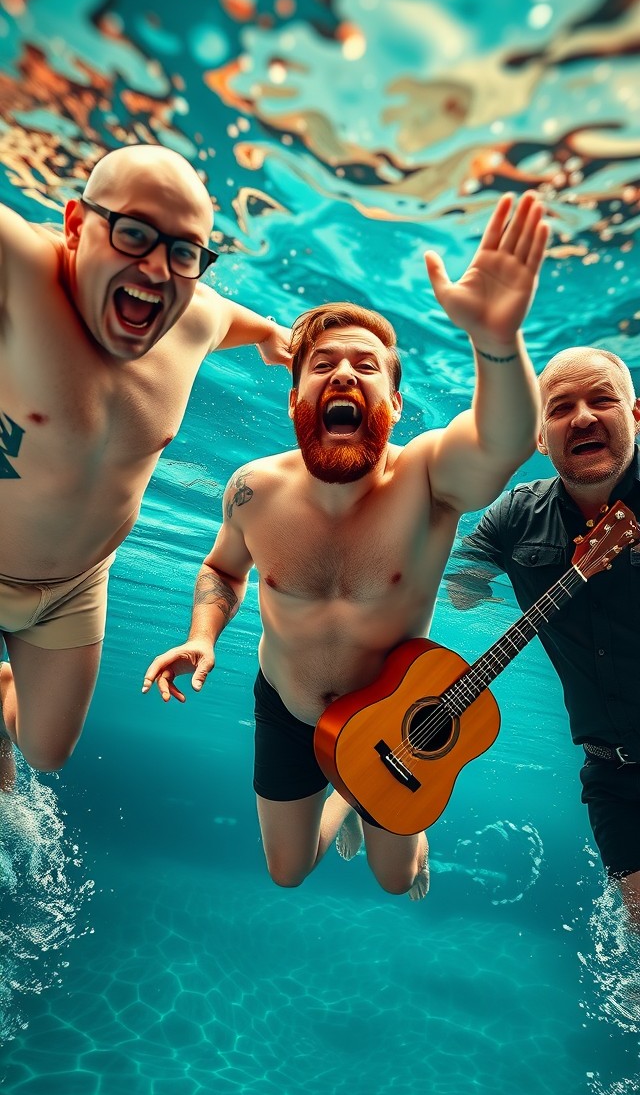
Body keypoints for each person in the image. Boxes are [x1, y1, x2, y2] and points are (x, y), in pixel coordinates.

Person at [142, 191, 546, 900]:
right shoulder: (252, 489)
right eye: (323, 363)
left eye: (367, 366)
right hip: (292, 713)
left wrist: (497, 341)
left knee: (399, 880)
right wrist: (203, 635)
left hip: (395, 731)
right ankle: (345, 797)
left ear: (392, 405)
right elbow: (221, 568)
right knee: (288, 873)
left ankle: (370, 797)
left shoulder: (427, 478)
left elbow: (504, 443)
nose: (344, 374)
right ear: (295, 397)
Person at [0, 143, 291, 792]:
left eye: (185, 251)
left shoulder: (192, 318)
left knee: (46, 752)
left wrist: (279, 340)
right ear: (75, 224)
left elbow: (235, 321)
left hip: (74, 588)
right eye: (133, 233)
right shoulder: (20, 269)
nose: (158, 269)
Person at [446, 345, 640, 923]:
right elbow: (458, 586)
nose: (582, 417)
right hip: (612, 773)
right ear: (538, 437)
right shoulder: (512, 516)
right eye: (560, 408)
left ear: (635, 414)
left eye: (601, 400)